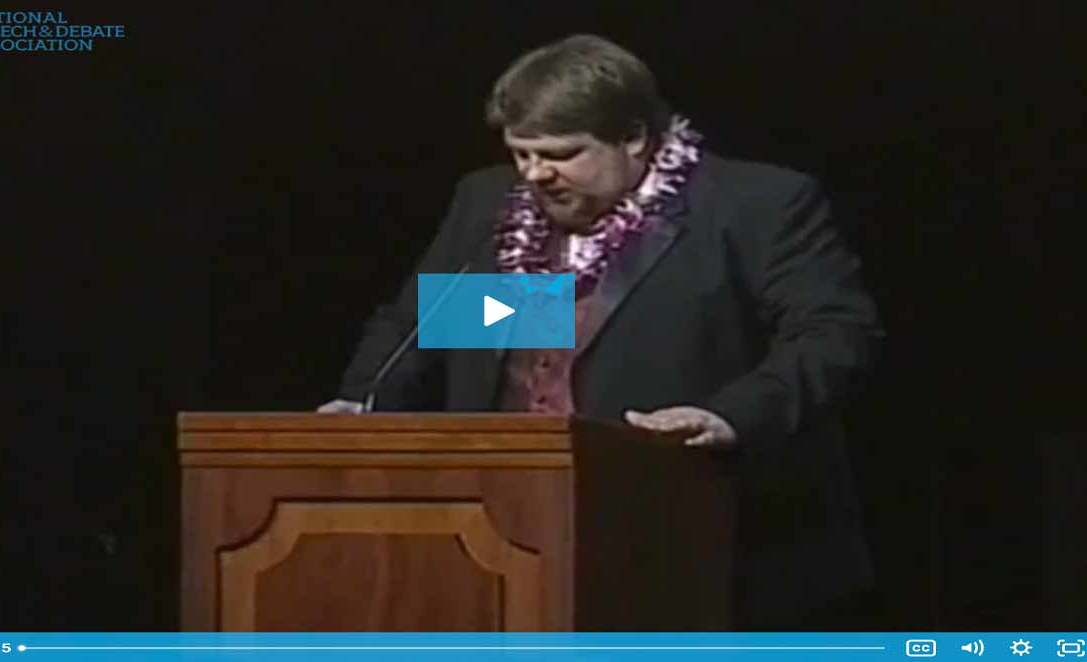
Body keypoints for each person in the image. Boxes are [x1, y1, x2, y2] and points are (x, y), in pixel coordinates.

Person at [318, 34, 884, 629]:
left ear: (634, 138)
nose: (535, 174)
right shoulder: (488, 203)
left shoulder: (753, 205)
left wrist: (728, 416)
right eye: (521, 154)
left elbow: (833, 335)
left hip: (694, 537)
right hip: (500, 538)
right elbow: (429, 323)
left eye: (561, 154)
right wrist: (362, 403)